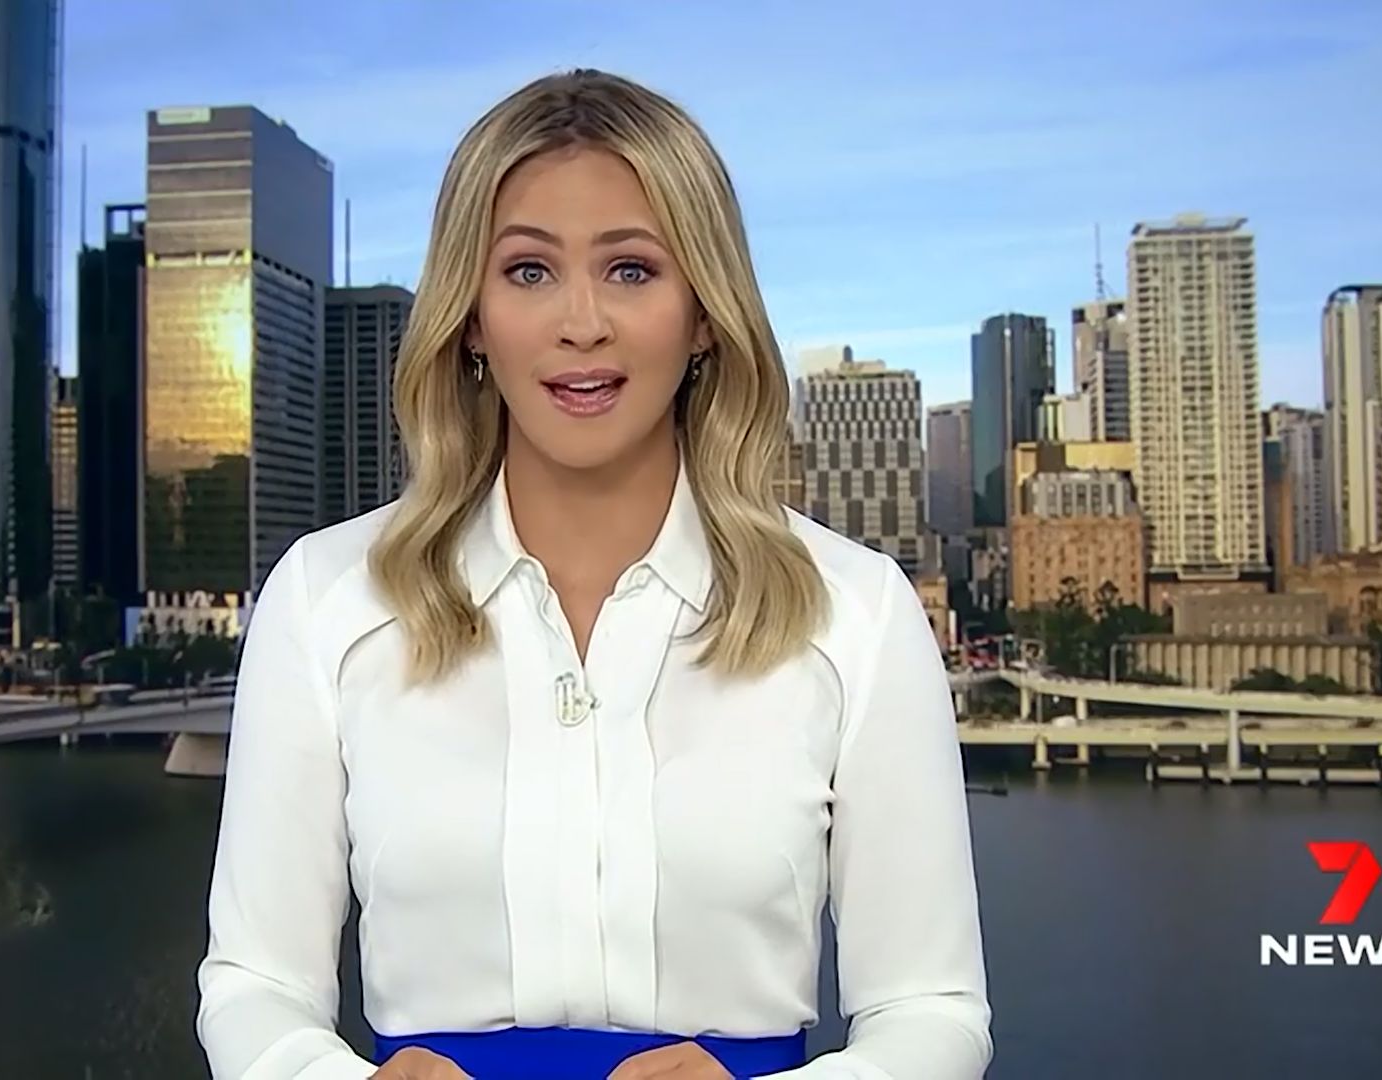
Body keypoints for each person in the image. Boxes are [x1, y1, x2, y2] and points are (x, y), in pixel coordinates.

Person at [197, 69, 992, 1080]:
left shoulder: (855, 614)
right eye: (529, 271)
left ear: (704, 315)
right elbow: (254, 985)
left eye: (631, 270)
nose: (582, 323)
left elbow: (931, 1012)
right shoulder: (326, 599)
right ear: (471, 315)